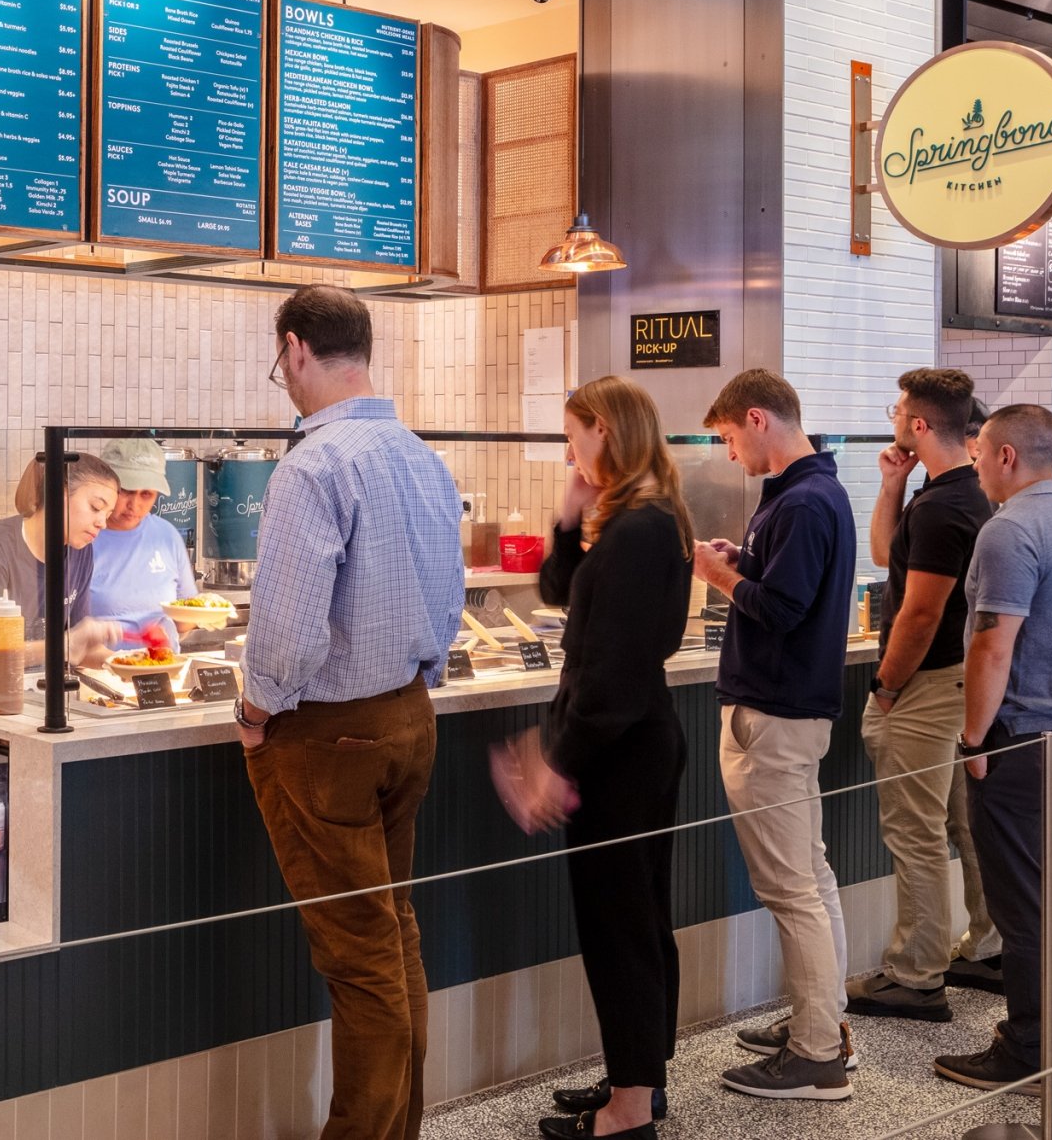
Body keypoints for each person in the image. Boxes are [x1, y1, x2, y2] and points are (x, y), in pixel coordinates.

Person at [237, 285, 461, 1140]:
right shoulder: (419, 454)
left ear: (295, 349)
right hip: (409, 716)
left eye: (280, 364)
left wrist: (256, 709)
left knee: (361, 962)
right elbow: (448, 605)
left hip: (328, 737)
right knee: (393, 934)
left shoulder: (313, 465)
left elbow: (288, 634)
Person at [493, 377, 695, 1140]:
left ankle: (631, 1106)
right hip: (633, 741)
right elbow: (559, 591)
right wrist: (568, 517)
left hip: (624, 751)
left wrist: (557, 762)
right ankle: (639, 1076)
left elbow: (610, 676)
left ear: (604, 429)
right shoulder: (636, 518)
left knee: (621, 925)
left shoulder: (644, 528)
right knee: (637, 917)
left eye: (573, 432)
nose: (568, 447)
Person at [938, 403, 1052, 1093]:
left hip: (1022, 735)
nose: (976, 462)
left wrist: (975, 737)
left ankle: (1032, 1052)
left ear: (1006, 455)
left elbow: (992, 644)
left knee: (1025, 900)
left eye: (981, 451)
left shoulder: (1008, 530)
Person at [691, 368, 855, 1101]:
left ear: (757, 419)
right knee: (810, 879)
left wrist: (718, 576)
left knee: (791, 888)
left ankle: (817, 1053)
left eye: (729, 437)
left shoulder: (806, 499)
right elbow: (790, 584)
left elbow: (783, 609)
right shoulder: (805, 493)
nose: (730, 454)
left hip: (776, 718)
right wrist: (746, 561)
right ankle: (825, 1024)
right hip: (793, 712)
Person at [851, 367, 1000, 1020]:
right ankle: (990, 944)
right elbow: (888, 552)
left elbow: (918, 613)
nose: (893, 416)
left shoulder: (944, 508)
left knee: (915, 831)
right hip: (960, 680)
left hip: (927, 683)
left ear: (918, 422)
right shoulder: (952, 493)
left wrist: (886, 684)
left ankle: (916, 973)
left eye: (897, 408)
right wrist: (891, 484)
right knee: (965, 823)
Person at [0, 451, 131, 666]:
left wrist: (136, 665)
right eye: (96, 508)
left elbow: (78, 649)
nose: (102, 522)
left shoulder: (81, 551)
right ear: (58, 494)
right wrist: (62, 646)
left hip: (49, 691)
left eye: (108, 514)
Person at [87, 439, 200, 643]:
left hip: (162, 668)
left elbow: (185, 618)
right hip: (97, 670)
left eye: (146, 494)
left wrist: (204, 616)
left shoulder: (167, 535)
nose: (134, 504)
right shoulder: (82, 537)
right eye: (126, 491)